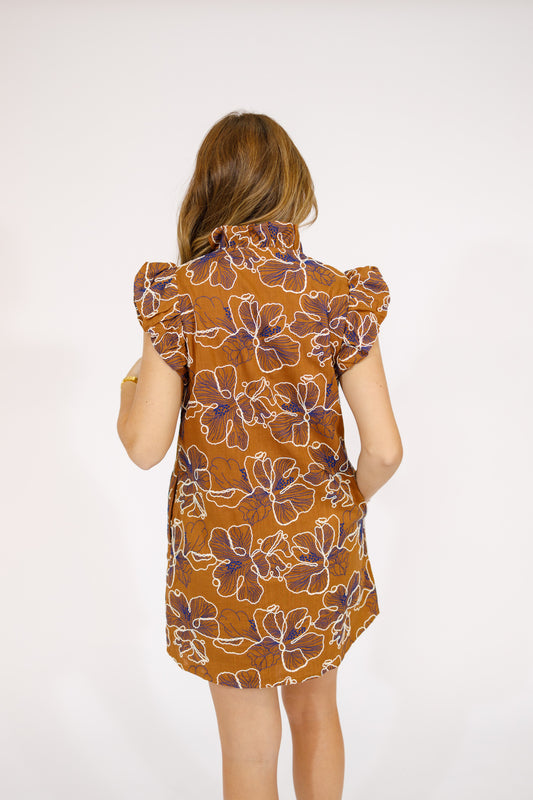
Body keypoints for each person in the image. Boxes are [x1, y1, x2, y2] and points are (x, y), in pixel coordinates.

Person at [117, 110, 403, 800]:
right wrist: (341, 504)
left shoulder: (178, 296)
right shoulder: (337, 296)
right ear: (292, 186)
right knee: (317, 714)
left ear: (209, 188)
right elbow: (385, 450)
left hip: (225, 561)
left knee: (247, 752)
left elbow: (144, 447)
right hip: (316, 547)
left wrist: (131, 384)